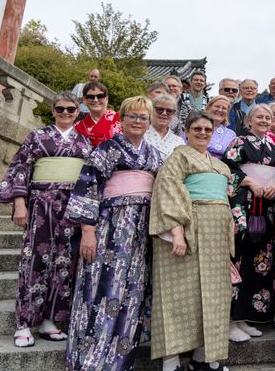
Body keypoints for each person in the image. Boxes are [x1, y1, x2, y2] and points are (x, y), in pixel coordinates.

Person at [65, 96, 162, 371]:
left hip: (141, 232)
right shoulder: (106, 149)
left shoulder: (155, 155)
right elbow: (88, 188)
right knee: (98, 287)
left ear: (149, 121)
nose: (138, 121)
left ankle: (120, 361)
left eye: (143, 117)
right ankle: (89, 359)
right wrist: (87, 231)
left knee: (133, 291)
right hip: (108, 227)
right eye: (132, 116)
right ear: (122, 118)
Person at [0, 92, 93, 348]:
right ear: (53, 111)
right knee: (34, 261)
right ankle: (24, 323)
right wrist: (19, 202)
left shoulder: (83, 142)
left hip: (72, 206)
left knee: (65, 262)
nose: (65, 114)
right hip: (41, 203)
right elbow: (20, 168)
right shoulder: (37, 137)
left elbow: (89, 178)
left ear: (76, 112)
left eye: (70, 110)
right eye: (60, 109)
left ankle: (50, 320)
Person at [149, 111, 235, 371]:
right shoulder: (178, 157)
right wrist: (176, 231)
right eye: (196, 128)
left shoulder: (221, 166)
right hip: (188, 230)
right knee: (176, 294)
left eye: (207, 129)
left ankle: (204, 357)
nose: (202, 133)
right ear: (186, 131)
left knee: (213, 296)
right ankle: (171, 361)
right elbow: (167, 190)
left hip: (216, 236)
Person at [224, 104, 275, 341]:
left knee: (262, 262)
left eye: (267, 117)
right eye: (259, 117)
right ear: (249, 121)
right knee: (241, 261)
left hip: (268, 208)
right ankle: (232, 320)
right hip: (245, 206)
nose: (264, 120)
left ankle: (249, 317)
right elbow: (228, 167)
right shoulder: (239, 143)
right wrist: (249, 181)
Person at [75, 81, 121, 146]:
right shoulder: (78, 127)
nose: (95, 100)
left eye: (100, 96)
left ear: (107, 98)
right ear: (84, 100)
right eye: (90, 97)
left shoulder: (121, 119)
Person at [145, 94, 185, 160]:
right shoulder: (140, 135)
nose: (164, 113)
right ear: (151, 110)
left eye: (169, 111)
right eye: (159, 109)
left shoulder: (179, 141)